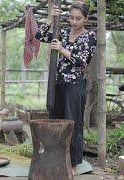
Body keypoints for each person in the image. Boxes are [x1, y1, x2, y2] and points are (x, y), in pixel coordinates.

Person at [35, 2, 97, 175]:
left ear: (85, 19)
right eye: (71, 17)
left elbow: (82, 62)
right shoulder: (62, 32)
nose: (74, 21)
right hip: (58, 85)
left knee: (72, 124)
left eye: (78, 18)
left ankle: (73, 165)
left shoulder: (90, 37)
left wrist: (62, 49)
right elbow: (39, 35)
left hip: (74, 86)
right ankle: (55, 160)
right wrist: (50, 18)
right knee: (55, 122)